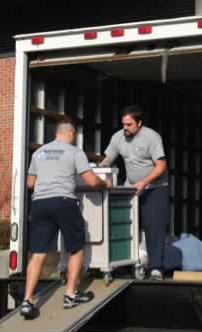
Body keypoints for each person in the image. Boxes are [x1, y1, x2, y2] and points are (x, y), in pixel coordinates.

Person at [20, 118, 109, 320]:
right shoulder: (75, 152)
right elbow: (91, 181)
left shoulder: (38, 153)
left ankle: (27, 300)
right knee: (76, 248)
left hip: (40, 204)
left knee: (38, 253)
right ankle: (70, 295)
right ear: (71, 134)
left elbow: (30, 183)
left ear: (55, 134)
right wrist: (105, 184)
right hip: (64, 202)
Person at [100, 105, 169, 281]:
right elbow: (108, 158)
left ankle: (156, 269)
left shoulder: (151, 137)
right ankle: (123, 265)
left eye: (129, 124)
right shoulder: (118, 137)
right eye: (123, 124)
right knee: (124, 226)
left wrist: (145, 182)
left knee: (154, 228)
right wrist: (102, 170)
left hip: (154, 188)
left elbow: (161, 166)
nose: (125, 128)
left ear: (139, 123)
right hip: (131, 188)